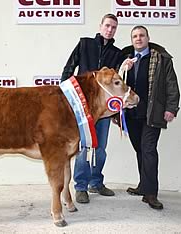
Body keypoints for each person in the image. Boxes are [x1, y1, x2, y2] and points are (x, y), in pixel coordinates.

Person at [61, 13, 123, 203]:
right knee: (83, 148)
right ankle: (80, 187)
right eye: (107, 25)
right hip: (81, 107)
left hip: (103, 110)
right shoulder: (84, 44)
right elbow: (69, 68)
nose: (109, 29)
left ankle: (96, 182)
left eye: (113, 27)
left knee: (100, 148)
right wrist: (64, 95)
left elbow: (117, 83)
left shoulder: (118, 54)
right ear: (100, 26)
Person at [122, 25, 180, 209]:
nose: (138, 39)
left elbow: (172, 85)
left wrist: (171, 108)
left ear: (147, 38)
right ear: (132, 40)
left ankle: (151, 193)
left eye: (141, 35)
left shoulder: (161, 59)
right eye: (134, 36)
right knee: (140, 150)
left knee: (148, 151)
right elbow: (115, 85)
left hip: (152, 113)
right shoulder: (125, 59)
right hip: (131, 114)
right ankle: (143, 186)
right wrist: (123, 69)